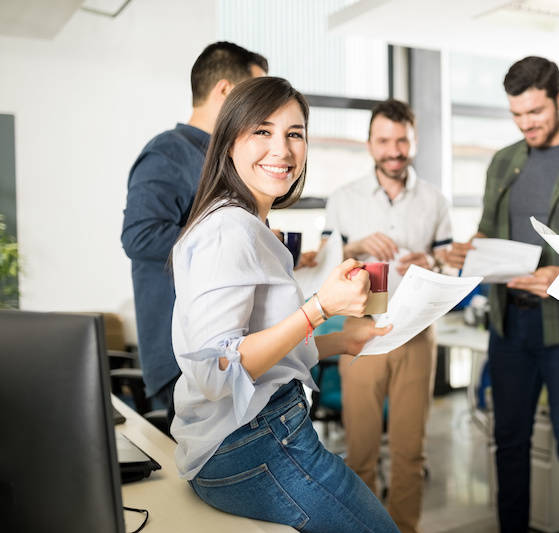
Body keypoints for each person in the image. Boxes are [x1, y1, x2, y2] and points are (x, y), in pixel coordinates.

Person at [169, 76, 401, 533]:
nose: (282, 149)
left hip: (247, 437)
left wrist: (339, 341)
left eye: (295, 134)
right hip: (255, 439)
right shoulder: (230, 228)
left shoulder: (245, 222)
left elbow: (262, 349)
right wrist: (320, 307)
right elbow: (220, 368)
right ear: (229, 141)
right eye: (262, 130)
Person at [446, 56, 559, 533]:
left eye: (535, 112)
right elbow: (489, 230)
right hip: (509, 322)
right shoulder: (504, 160)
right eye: (517, 115)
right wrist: (469, 249)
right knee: (509, 442)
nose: (527, 124)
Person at [121, 42, 268, 429]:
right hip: (187, 356)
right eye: (252, 95)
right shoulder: (169, 152)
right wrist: (228, 238)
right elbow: (140, 236)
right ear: (224, 90)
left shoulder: (227, 158)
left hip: (229, 353)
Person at [321, 99, 452, 533]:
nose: (393, 150)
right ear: (370, 144)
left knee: (410, 452)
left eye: (401, 140)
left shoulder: (435, 200)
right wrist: (352, 248)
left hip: (417, 332)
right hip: (361, 330)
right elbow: (321, 267)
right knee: (359, 453)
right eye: (384, 141)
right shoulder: (343, 201)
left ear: (413, 141)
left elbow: (452, 264)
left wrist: (433, 262)